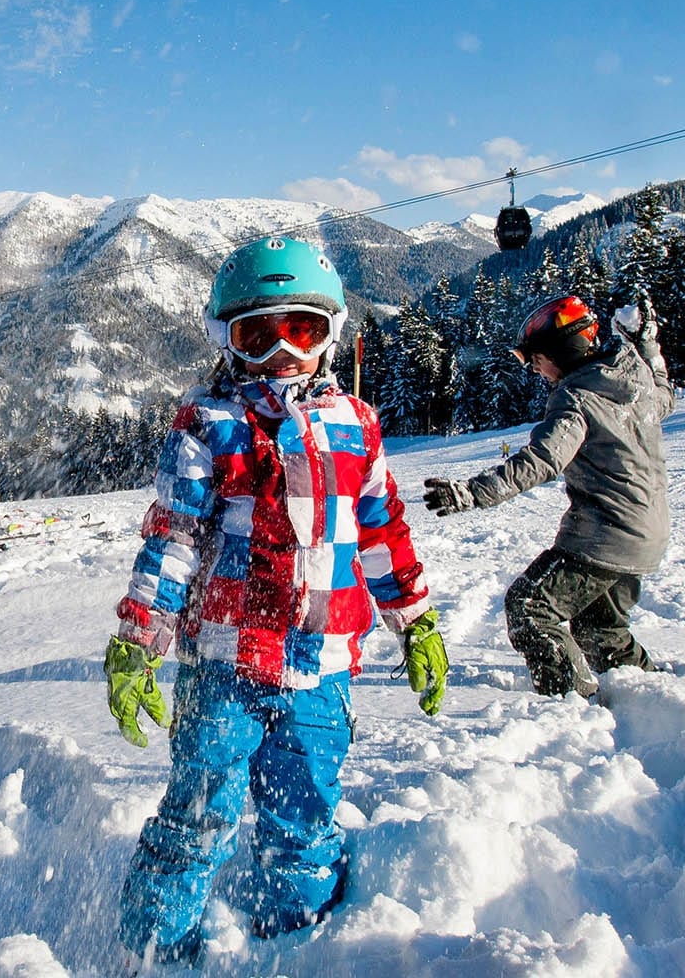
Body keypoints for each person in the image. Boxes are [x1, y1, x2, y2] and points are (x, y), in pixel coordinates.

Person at [104, 237, 446, 967]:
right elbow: (175, 537)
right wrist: (141, 634)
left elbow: (382, 530)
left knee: (306, 810)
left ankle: (300, 940)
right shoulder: (209, 424)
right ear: (224, 342)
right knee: (199, 814)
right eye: (256, 337)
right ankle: (156, 950)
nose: (282, 354)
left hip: (320, 665)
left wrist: (415, 622)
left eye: (303, 330)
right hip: (225, 665)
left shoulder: (357, 424)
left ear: (333, 334)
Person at [423, 295, 675, 698]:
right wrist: (648, 344)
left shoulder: (575, 400)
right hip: (647, 534)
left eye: (537, 359)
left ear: (563, 351)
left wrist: (470, 493)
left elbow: (542, 459)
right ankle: (655, 694)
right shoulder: (635, 380)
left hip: (604, 536)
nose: (535, 369)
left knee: (529, 607)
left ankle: (568, 702)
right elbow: (665, 394)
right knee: (601, 629)